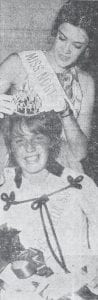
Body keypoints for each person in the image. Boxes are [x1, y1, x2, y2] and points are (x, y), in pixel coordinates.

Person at [0, 111, 98, 300]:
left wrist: (75, 280)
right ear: (11, 147)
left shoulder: (80, 184)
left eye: (38, 138)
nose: (29, 148)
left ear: (51, 141)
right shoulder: (4, 194)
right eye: (20, 140)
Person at [0, 0, 97, 175]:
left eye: (77, 46)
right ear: (55, 33)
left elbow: (80, 153)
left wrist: (66, 113)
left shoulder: (85, 82)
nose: (66, 50)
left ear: (87, 49)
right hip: (18, 165)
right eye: (62, 38)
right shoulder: (19, 63)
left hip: (63, 172)